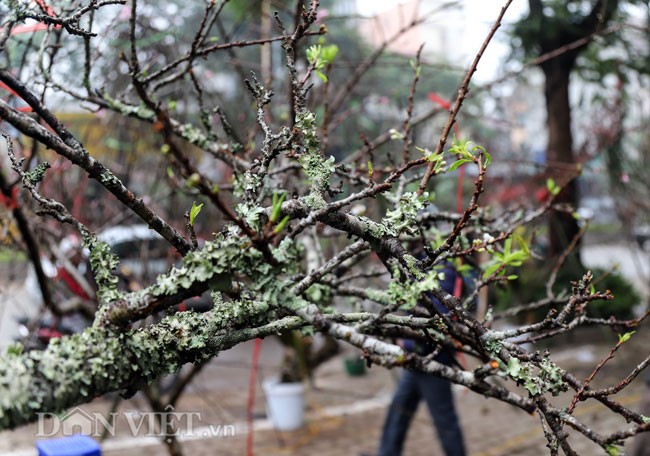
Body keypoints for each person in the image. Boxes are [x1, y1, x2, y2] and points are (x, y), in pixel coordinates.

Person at [373, 262, 468, 456]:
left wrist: (406, 342)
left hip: (435, 362)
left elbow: (441, 323)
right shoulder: (418, 264)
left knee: (444, 420)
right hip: (414, 359)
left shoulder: (444, 272)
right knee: (398, 410)